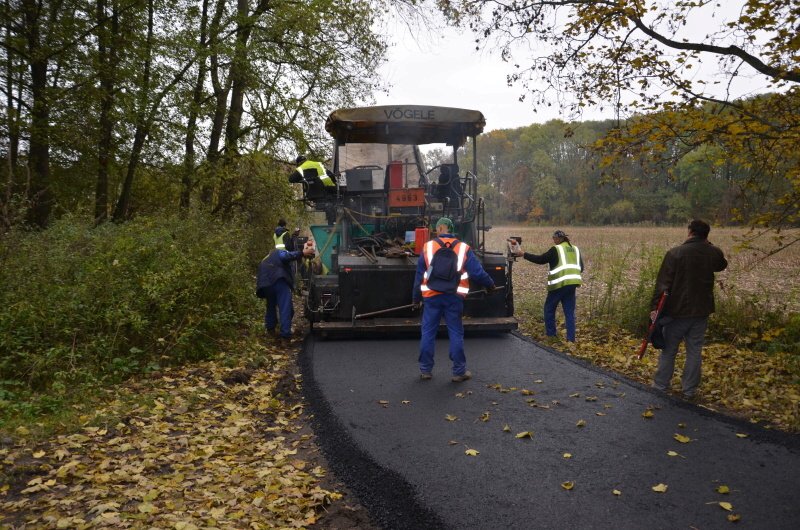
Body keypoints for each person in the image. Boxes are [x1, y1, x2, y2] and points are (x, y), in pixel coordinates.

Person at [650, 219, 727, 399]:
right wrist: (709, 245)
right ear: (706, 236)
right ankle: (689, 390)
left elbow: (662, 284)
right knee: (694, 350)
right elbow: (722, 264)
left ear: (690, 232)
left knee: (669, 350)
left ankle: (660, 385)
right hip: (701, 311)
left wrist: (654, 308)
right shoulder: (713, 253)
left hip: (677, 312)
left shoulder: (675, 253)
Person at [412, 217, 496, 382]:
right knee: (456, 332)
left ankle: (425, 370)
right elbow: (477, 272)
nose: (436, 231)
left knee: (428, 333)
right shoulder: (463, 248)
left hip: (431, 297)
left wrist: (416, 298)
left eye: (437, 228)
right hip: (453, 297)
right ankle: (459, 372)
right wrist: (490, 285)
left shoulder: (428, 247)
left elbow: (419, 275)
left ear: (441, 228)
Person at [512, 230, 584, 342]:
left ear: (559, 239)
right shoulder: (575, 249)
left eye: (554, 238)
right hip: (572, 284)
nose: (553, 240)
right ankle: (571, 339)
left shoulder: (556, 249)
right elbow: (581, 267)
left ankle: (551, 336)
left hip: (559, 285)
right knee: (569, 312)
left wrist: (524, 254)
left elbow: (541, 259)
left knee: (549, 309)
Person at [256, 237, 315, 339]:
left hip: (266, 285)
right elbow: (286, 256)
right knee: (285, 308)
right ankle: (285, 336)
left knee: (270, 306)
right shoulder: (279, 253)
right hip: (279, 281)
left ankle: (271, 330)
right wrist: (302, 253)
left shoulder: (265, 258)